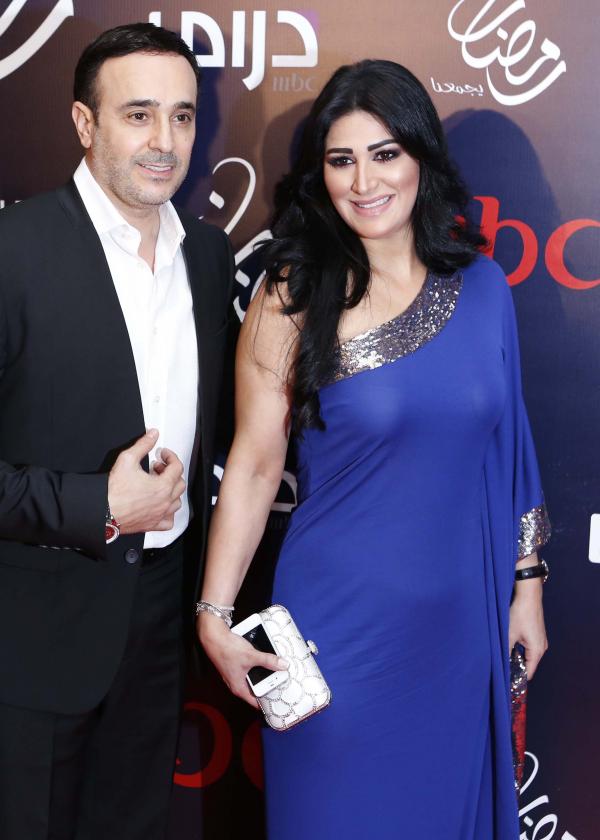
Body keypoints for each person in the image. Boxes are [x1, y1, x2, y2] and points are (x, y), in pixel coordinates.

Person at [198, 60, 550, 839]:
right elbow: (254, 464)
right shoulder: (292, 295)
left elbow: (510, 444)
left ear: (421, 156)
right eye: (341, 159)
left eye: (385, 154)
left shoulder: (483, 288)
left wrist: (527, 588)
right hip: (338, 637)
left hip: (460, 634)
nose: (364, 182)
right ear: (319, 172)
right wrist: (215, 614)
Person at [0, 22, 233, 840]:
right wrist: (97, 503)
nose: (164, 140)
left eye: (182, 115)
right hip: (30, 636)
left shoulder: (209, 257)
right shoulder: (12, 251)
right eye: (138, 114)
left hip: (160, 627)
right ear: (83, 122)